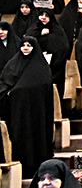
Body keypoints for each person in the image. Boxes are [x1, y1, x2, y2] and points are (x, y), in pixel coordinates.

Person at [0, 36, 53, 176]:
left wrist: (18, 91)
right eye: (23, 45)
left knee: (35, 137)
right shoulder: (13, 63)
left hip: (36, 111)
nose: (25, 48)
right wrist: (8, 93)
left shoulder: (41, 66)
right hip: (16, 112)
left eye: (29, 46)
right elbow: (4, 81)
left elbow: (41, 85)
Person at [24, 8, 69, 97]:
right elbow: (27, 44)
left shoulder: (57, 30)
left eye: (47, 16)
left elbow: (63, 47)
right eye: (41, 15)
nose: (43, 17)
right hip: (35, 65)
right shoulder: (33, 30)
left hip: (54, 67)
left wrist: (51, 54)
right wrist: (40, 35)